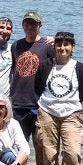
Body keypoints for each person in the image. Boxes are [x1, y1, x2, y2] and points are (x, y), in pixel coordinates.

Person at [33, 31, 83, 165]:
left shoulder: (79, 68)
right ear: (55, 46)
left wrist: (68, 104)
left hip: (71, 114)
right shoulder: (45, 65)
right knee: (48, 152)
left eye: (66, 44)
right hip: (47, 112)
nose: (62, 48)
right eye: (59, 44)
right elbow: (38, 88)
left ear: (72, 47)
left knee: (72, 152)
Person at [9, 11, 52, 146]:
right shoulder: (16, 45)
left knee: (42, 147)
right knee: (18, 147)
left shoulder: (48, 46)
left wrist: (57, 40)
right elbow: (14, 70)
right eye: (27, 23)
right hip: (17, 104)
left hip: (39, 104)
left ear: (40, 26)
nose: (30, 26)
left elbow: (61, 64)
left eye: (34, 23)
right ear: (22, 25)